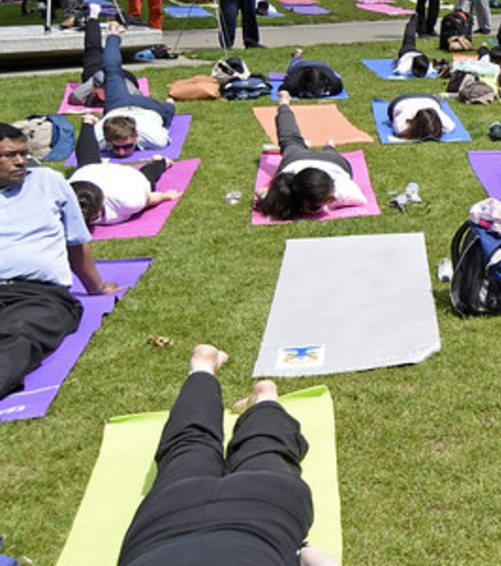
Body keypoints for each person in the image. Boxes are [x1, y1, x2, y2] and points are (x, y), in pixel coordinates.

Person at [114, 344, 340, 566]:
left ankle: (265, 399)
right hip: (174, 508)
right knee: (188, 444)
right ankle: (202, 367)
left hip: (265, 507)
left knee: (266, 448)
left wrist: (295, 549)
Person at [0, 121, 121, 401]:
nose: (21, 161)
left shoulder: (49, 183)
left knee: (19, 336)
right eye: (10, 155)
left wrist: (97, 288)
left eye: (24, 153)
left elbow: (76, 243)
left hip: (37, 296)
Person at [255, 93, 362, 220]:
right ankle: (329, 147)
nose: (335, 198)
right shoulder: (345, 191)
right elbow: (361, 200)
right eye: (330, 198)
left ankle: (284, 104)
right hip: (330, 161)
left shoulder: (284, 195)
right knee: (295, 140)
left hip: (299, 160)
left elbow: (260, 192)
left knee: (289, 137)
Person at [67, 113, 180, 227]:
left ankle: (161, 161)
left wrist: (166, 196)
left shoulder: (129, 200)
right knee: (86, 158)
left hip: (125, 178)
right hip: (89, 173)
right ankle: (87, 122)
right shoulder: (62, 199)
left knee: (147, 178)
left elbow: (150, 199)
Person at [82, 19, 177, 151]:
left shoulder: (155, 139)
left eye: (127, 146)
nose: (121, 153)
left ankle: (114, 35)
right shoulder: (157, 140)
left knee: (112, 71)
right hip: (144, 107)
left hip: (121, 104)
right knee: (111, 71)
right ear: (108, 141)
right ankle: (113, 35)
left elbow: (85, 139)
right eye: (115, 147)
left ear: (136, 136)